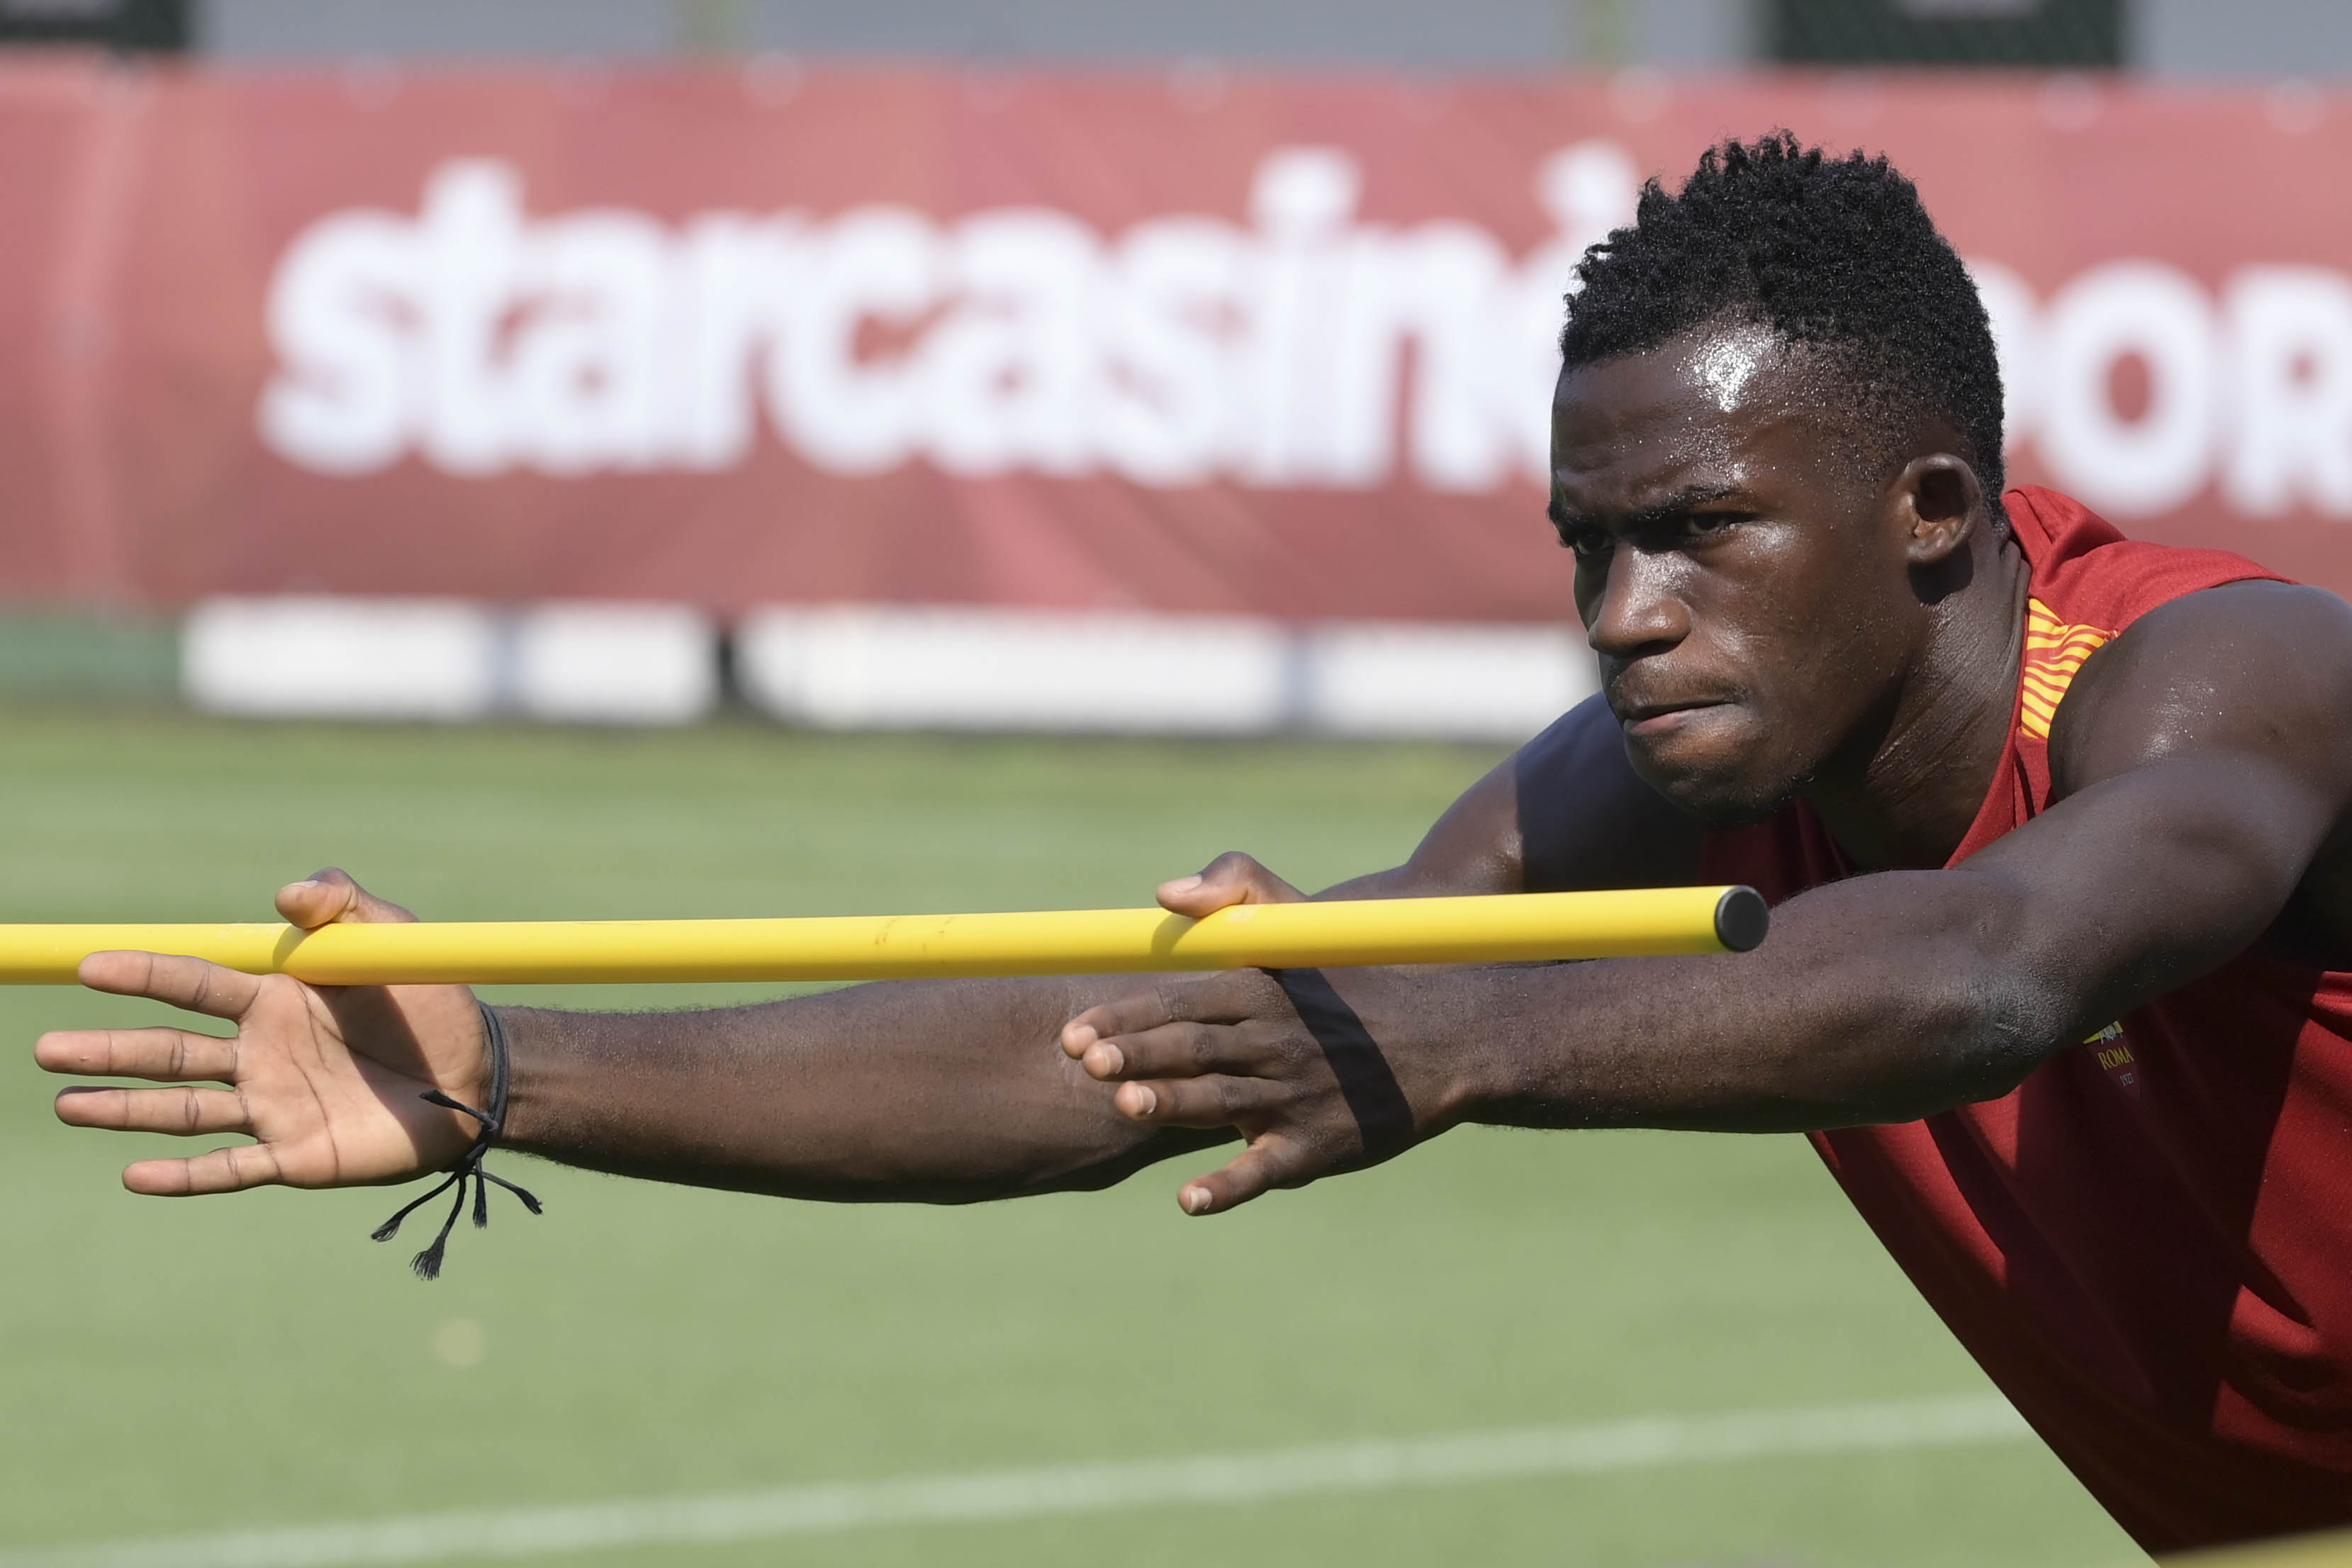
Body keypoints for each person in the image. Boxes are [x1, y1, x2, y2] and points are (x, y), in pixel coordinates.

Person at [34, 133, 2352, 1555]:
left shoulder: (2217, 680)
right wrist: (520, 1071)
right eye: (1589, 544)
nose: (1624, 615)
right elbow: (1139, 1049)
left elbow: (1994, 975)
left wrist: (1463, 1042)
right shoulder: (1675, 761)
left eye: (1700, 536)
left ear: (1933, 511)